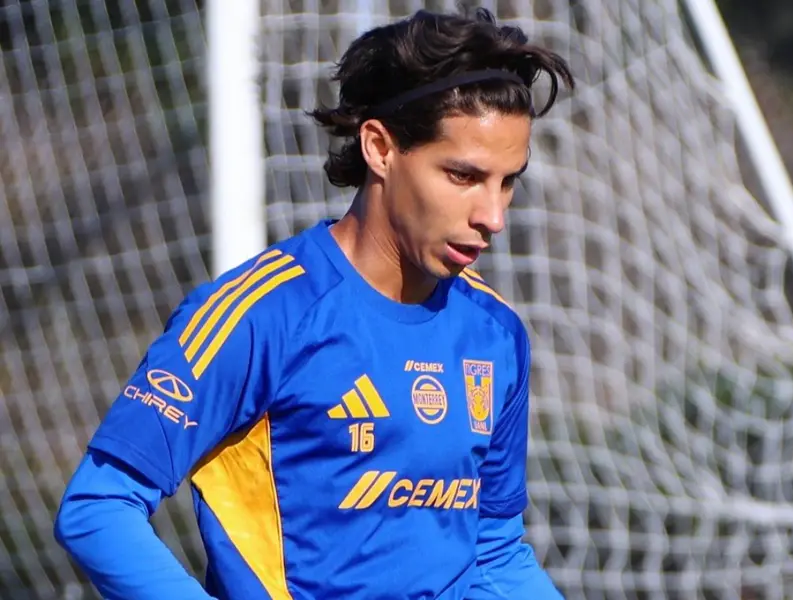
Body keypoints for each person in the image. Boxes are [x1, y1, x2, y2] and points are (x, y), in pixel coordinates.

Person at [54, 7, 574, 599]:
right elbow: (99, 507)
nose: (494, 216)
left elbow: (494, 552)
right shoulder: (263, 314)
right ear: (379, 148)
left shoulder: (495, 332)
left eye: (508, 181)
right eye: (463, 176)